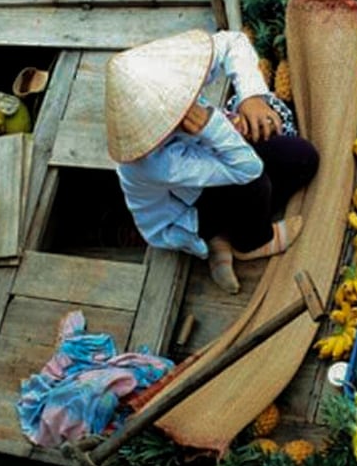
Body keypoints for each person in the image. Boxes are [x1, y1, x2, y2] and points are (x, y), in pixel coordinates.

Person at [104, 29, 319, 293]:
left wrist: (251, 97)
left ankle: (226, 233)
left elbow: (233, 42)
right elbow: (247, 170)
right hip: (187, 211)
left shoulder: (169, 72)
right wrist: (212, 126)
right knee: (256, 185)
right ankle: (249, 242)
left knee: (302, 157)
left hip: (204, 169)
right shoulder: (156, 161)